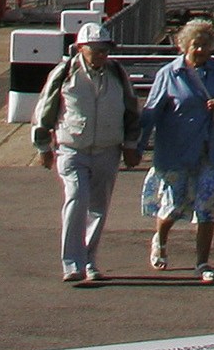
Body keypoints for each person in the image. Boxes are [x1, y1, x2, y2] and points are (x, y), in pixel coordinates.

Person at [31, 21, 142, 284]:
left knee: (98, 208)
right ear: (81, 48)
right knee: (76, 199)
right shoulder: (65, 72)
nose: (102, 54)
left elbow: (131, 109)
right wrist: (43, 146)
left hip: (107, 149)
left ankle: (89, 261)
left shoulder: (117, 73)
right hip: (72, 148)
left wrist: (130, 145)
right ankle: (72, 263)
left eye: (105, 49)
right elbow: (44, 110)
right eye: (96, 49)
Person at [138, 18, 214, 282]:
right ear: (184, 45)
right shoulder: (169, 74)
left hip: (210, 149)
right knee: (173, 205)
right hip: (176, 150)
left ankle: (202, 263)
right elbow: (151, 112)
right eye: (196, 45)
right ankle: (160, 238)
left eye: (207, 45)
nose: (201, 50)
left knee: (207, 206)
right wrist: (136, 145)